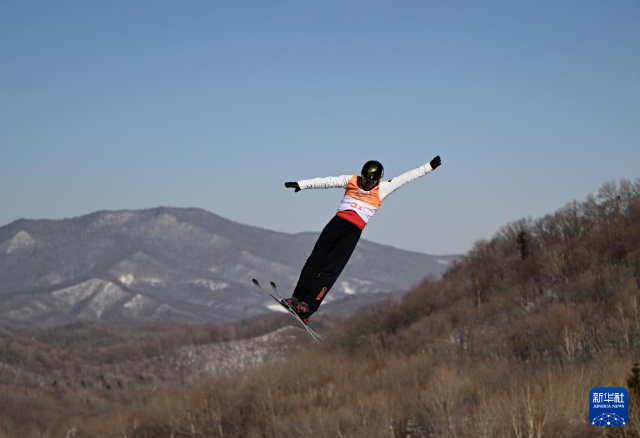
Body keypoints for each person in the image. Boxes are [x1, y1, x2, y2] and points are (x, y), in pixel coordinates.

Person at [283, 155, 442, 323]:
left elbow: (406, 177)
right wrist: (302, 184)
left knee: (331, 269)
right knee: (315, 261)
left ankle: (308, 306)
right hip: (336, 224)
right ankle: (296, 298)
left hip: (353, 231)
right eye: (365, 180)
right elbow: (327, 181)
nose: (366, 184)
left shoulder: (383, 188)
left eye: (370, 182)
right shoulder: (352, 180)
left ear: (378, 180)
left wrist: (428, 167)